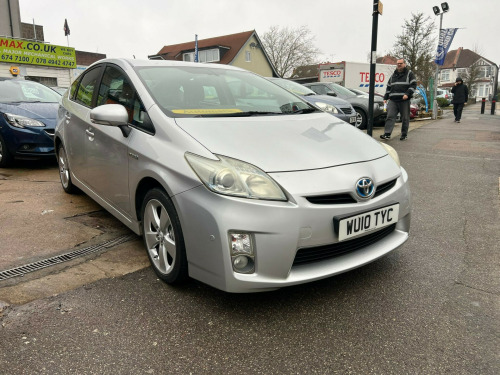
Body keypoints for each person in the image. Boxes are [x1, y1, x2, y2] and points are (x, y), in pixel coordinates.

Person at [380, 59, 417, 141]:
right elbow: (389, 87)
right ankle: (387, 134)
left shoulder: (409, 74)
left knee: (405, 118)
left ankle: (404, 134)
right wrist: (385, 97)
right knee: (390, 116)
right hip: (393, 100)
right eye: (398, 64)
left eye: (401, 63)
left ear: (404, 64)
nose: (399, 65)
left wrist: (407, 94)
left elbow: (413, 85)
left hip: (404, 100)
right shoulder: (393, 75)